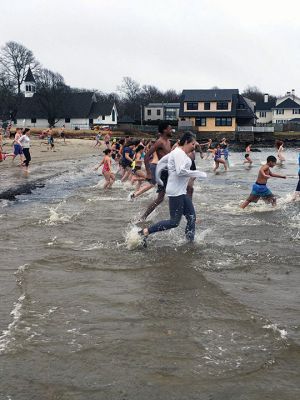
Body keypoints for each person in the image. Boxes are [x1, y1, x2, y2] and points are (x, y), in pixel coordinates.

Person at [138, 132, 207, 246]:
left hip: (181, 191)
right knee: (174, 222)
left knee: (191, 217)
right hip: (176, 192)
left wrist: (159, 178)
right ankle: (144, 232)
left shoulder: (178, 153)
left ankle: (189, 242)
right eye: (193, 144)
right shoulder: (178, 153)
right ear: (186, 142)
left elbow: (162, 162)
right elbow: (180, 172)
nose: (194, 147)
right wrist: (198, 173)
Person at [139, 122, 173, 220]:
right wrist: (149, 172)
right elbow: (146, 156)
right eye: (170, 129)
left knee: (162, 198)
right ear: (164, 130)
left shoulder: (168, 141)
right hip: (163, 172)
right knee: (161, 198)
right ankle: (143, 217)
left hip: (169, 171)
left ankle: (144, 217)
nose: (171, 130)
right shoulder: (160, 142)